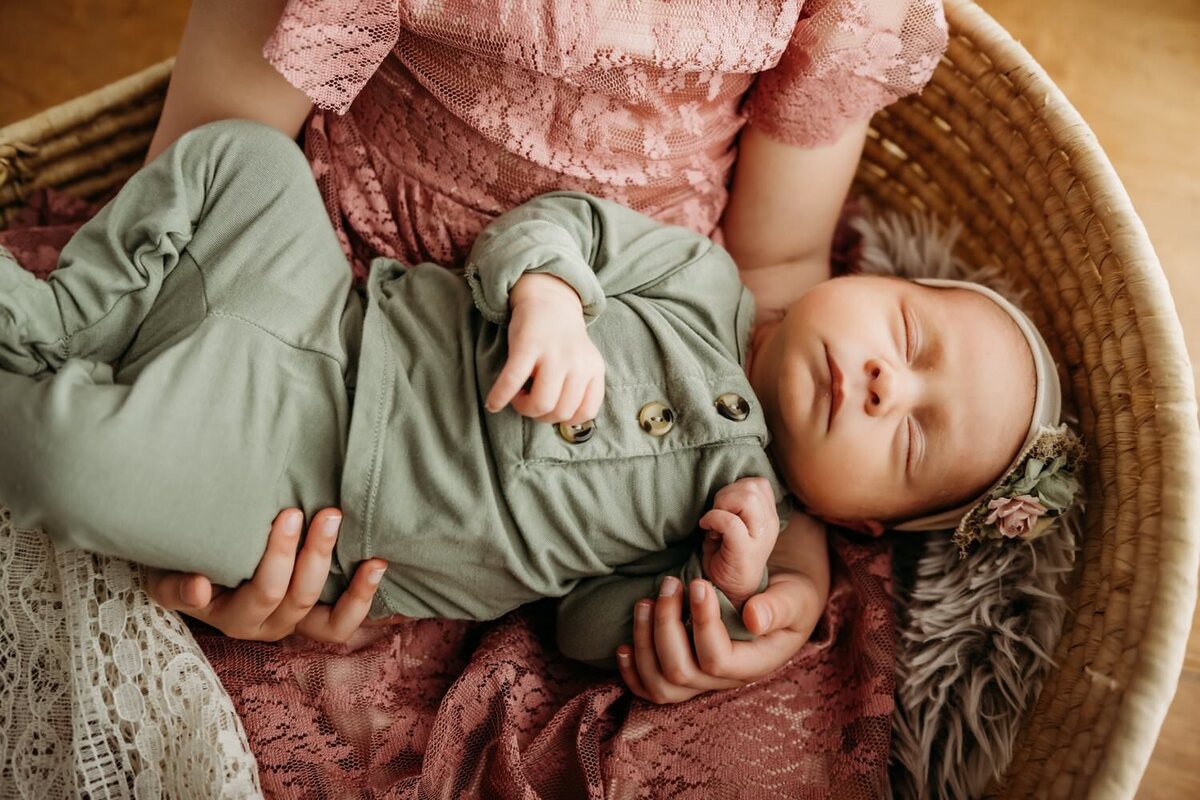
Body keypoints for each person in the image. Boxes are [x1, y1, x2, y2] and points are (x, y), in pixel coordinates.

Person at [0, 121, 1082, 672]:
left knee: (75, 462)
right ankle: (55, 321)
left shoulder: (727, 522)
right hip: (332, 307)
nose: (890, 382)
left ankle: (49, 377)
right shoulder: (700, 277)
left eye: (911, 435)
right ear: (864, 272)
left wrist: (709, 582)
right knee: (241, 160)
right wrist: (550, 296)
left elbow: (581, 625)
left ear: (858, 521)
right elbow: (553, 221)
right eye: (905, 334)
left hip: (307, 487)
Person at [137, 0, 952, 700]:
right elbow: (207, 177)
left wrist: (784, 534)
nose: (889, 387)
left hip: (606, 382)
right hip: (325, 311)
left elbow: (776, 272)